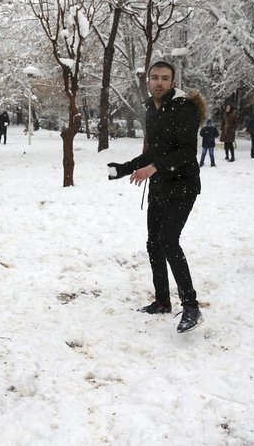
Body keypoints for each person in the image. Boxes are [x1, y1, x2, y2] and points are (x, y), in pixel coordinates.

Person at [107, 61, 206, 333]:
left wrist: (154, 168)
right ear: (148, 81)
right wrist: (123, 169)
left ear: (172, 82)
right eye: (154, 78)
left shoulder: (184, 108)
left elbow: (186, 151)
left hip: (183, 186)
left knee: (168, 241)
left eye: (164, 78)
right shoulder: (152, 109)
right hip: (160, 186)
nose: (159, 82)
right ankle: (162, 301)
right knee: (154, 244)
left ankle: (191, 306)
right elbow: (154, 151)